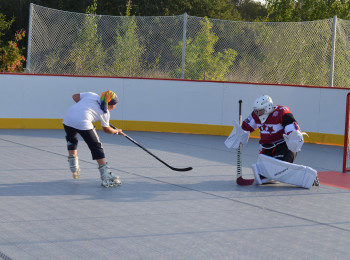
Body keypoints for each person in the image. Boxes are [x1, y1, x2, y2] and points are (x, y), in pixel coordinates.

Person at [226, 95, 319, 188]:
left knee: (278, 169)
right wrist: (239, 133)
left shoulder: (282, 112)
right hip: (266, 148)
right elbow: (246, 127)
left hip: (283, 146)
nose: (257, 113)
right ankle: (272, 176)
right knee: (261, 176)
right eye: (256, 110)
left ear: (268, 108)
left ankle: (309, 176)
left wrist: (294, 136)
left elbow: (291, 126)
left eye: (260, 110)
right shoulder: (255, 115)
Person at [63, 90, 124, 188]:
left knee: (72, 139)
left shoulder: (92, 95)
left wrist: (83, 107)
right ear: (111, 104)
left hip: (68, 118)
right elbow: (107, 130)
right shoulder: (105, 112)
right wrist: (117, 131)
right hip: (83, 121)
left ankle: (73, 165)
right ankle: (105, 175)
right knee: (96, 146)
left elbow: (74, 96)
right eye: (115, 105)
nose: (115, 107)